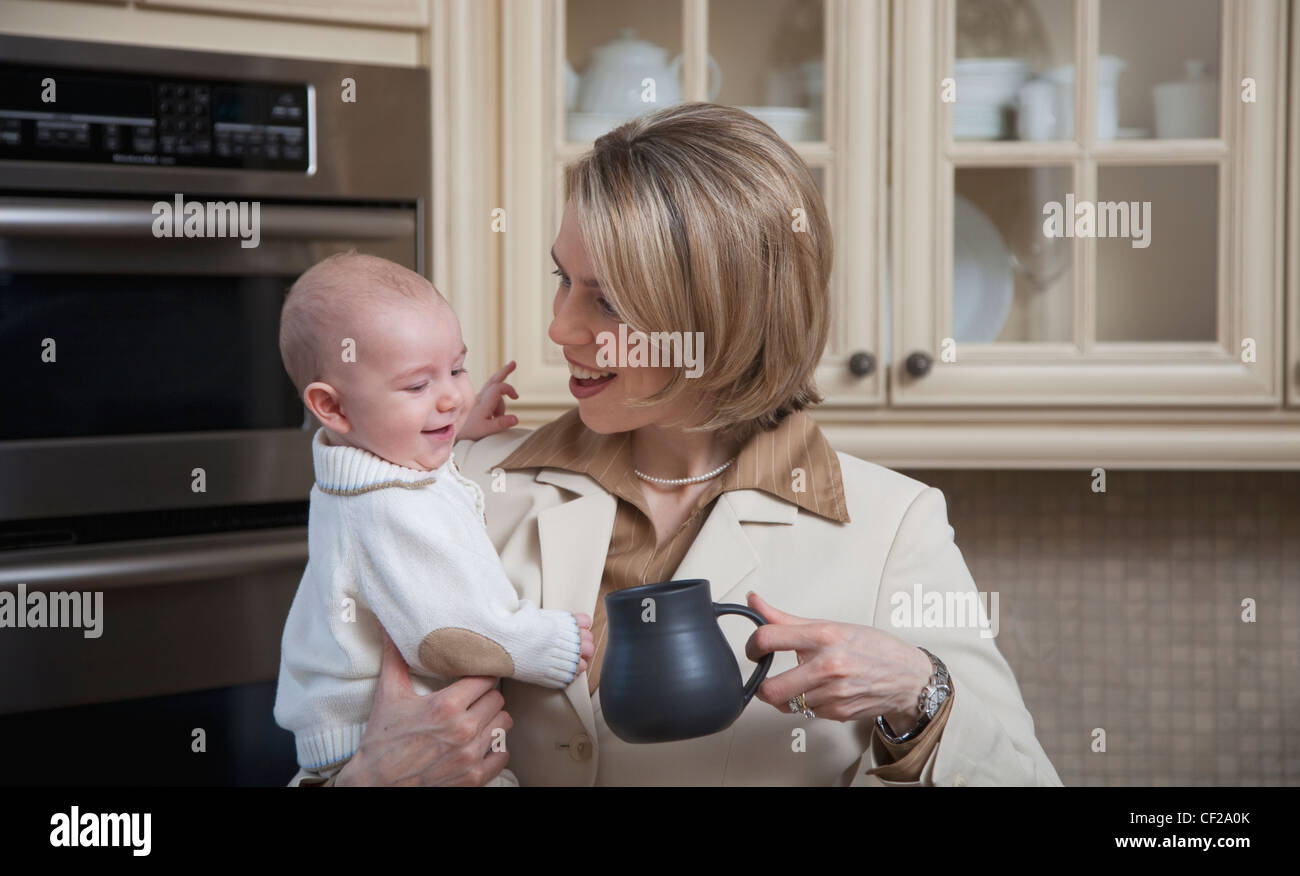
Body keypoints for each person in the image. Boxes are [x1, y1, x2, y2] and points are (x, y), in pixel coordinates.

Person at [290, 101, 1061, 786]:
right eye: (562, 279)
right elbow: (331, 713)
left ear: (722, 320)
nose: (559, 328)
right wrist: (370, 779)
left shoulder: (895, 526)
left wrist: (920, 695)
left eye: (608, 301)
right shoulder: (441, 485)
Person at [272, 251, 594, 786]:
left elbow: (410, 463)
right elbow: (446, 632)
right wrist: (550, 644)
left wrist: (454, 427)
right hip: (390, 734)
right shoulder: (387, 508)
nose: (450, 395)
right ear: (333, 408)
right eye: (418, 386)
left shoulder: (367, 461)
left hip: (352, 740)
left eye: (457, 369)